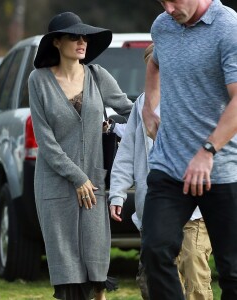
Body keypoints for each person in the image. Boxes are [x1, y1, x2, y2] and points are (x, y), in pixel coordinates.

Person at [28, 12, 133, 300]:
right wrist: (77, 177)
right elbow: (45, 141)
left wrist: (161, 112)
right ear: (57, 43)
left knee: (95, 265)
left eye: (84, 37)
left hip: (94, 185)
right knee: (67, 270)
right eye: (74, 37)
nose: (82, 42)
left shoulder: (98, 76)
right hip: (55, 185)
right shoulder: (38, 81)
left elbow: (130, 110)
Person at [141, 0, 237, 299]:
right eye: (162, 1)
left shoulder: (229, 29)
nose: (168, 9)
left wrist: (207, 151)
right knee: (154, 252)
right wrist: (148, 106)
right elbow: (155, 63)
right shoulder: (163, 26)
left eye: (174, 0)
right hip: (169, 166)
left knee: (232, 270)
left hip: (222, 170)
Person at [109, 43, 213, 300]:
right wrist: (118, 194)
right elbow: (127, 153)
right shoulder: (142, 104)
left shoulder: (197, 99)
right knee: (155, 280)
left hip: (194, 210)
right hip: (155, 208)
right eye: (152, 70)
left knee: (194, 271)